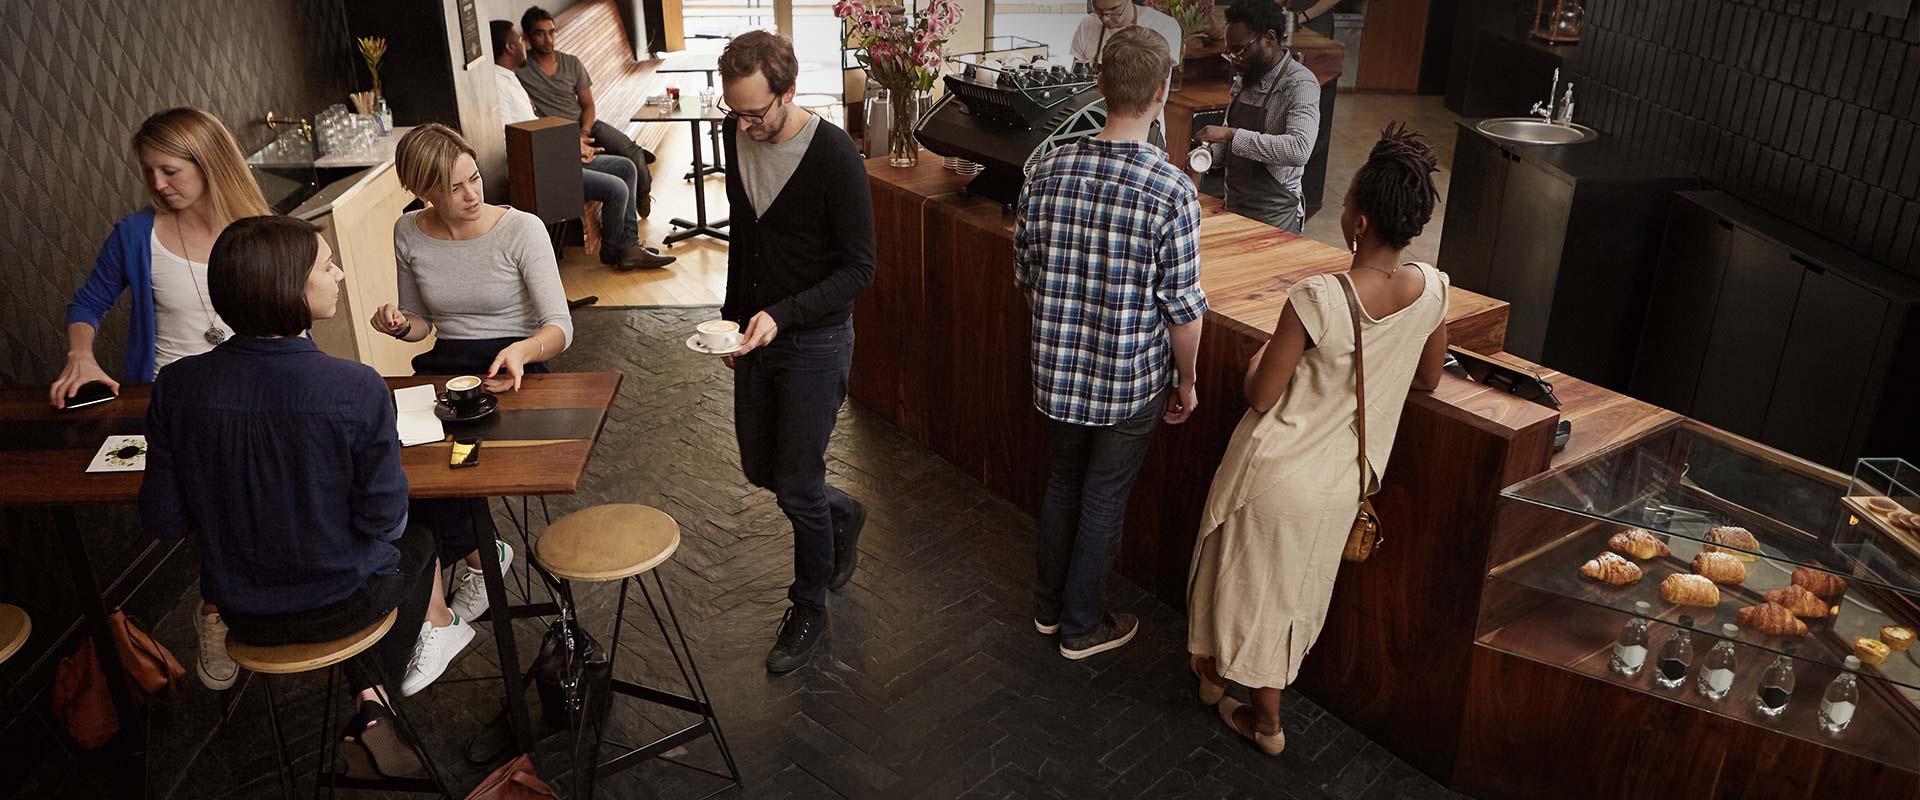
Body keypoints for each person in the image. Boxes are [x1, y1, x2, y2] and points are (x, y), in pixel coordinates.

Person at [141, 215, 473, 777]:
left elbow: (164, 519)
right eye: (326, 265)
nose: (338, 274)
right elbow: (385, 522)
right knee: (422, 540)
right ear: (289, 288)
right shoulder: (356, 387)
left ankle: (372, 706)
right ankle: (378, 700)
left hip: (242, 613)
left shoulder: (175, 386)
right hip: (342, 604)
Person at [1186, 124, 1449, 756]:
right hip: (1341, 483)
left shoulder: (1319, 298)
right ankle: (1230, 689)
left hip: (1276, 471)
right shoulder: (1433, 290)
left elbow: (1260, 394)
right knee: (1290, 596)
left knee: (1240, 583)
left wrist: (1258, 359)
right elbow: (1428, 378)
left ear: (1357, 221)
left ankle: (1254, 711)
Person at [53, 106, 273, 694]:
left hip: (251, 394)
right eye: (149, 171)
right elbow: (87, 304)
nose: (158, 183)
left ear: (208, 164)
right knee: (209, 507)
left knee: (257, 500)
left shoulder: (257, 227)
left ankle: (242, 601)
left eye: (170, 170)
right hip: (173, 405)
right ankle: (216, 611)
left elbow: (291, 312)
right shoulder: (135, 235)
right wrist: (81, 355)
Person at [1013, 27, 1207, 661]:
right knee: (1102, 497)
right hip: (1129, 381)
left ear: (1099, 83)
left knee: (1062, 481)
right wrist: (1187, 380)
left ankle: (1048, 610)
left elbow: (1027, 276)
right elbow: (1183, 311)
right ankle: (1082, 626)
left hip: (1055, 372)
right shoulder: (1172, 191)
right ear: (1162, 91)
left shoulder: (1046, 169)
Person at [715, 31, 875, 673]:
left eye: (756, 112)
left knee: (799, 485)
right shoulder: (736, 134)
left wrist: (781, 316)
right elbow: (745, 240)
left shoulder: (834, 154)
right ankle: (845, 513)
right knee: (762, 469)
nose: (745, 126)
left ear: (788, 92)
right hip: (756, 334)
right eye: (735, 112)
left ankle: (808, 606)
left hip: (817, 338)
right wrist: (731, 324)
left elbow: (859, 268)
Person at [370, 123, 573, 617]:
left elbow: (560, 328)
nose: (472, 195)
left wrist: (524, 350)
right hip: (448, 369)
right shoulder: (407, 232)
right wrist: (401, 325)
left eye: (475, 178)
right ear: (423, 192)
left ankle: (439, 597)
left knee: (449, 470)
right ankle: (473, 568)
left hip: (516, 369)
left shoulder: (522, 229)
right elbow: (422, 323)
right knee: (404, 467)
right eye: (454, 187)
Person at [491, 19, 673, 270]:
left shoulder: (510, 77)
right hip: (541, 168)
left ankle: (628, 245)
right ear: (510, 47)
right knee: (617, 188)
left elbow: (534, 126)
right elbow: (513, 140)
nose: (525, 44)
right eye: (521, 39)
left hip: (557, 151)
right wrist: (567, 151)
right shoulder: (498, 85)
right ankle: (613, 251)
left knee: (626, 166)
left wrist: (572, 145)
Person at [1193, 0, 1320, 233]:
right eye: (1229, 52)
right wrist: (1207, 152)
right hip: (1234, 207)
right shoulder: (1245, 79)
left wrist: (1231, 134)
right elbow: (1231, 143)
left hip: (1275, 218)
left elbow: (1299, 149)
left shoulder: (1301, 84)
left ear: (1269, 38)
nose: (1234, 59)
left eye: (1239, 50)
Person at [517, 6, 657, 176]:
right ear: (527, 37)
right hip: (558, 135)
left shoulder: (571, 63)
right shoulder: (520, 70)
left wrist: (584, 132)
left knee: (631, 151)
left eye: (552, 33)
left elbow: (588, 104)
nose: (548, 39)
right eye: (540, 34)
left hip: (586, 125)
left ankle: (642, 189)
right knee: (624, 164)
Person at [1070, 0, 1183, 150]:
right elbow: (1076, 82)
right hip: (1090, 125)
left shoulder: (1164, 25)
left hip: (1144, 130)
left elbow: (1158, 89)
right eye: (1099, 12)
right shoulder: (1088, 25)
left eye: (1114, 11)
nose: (1106, 18)